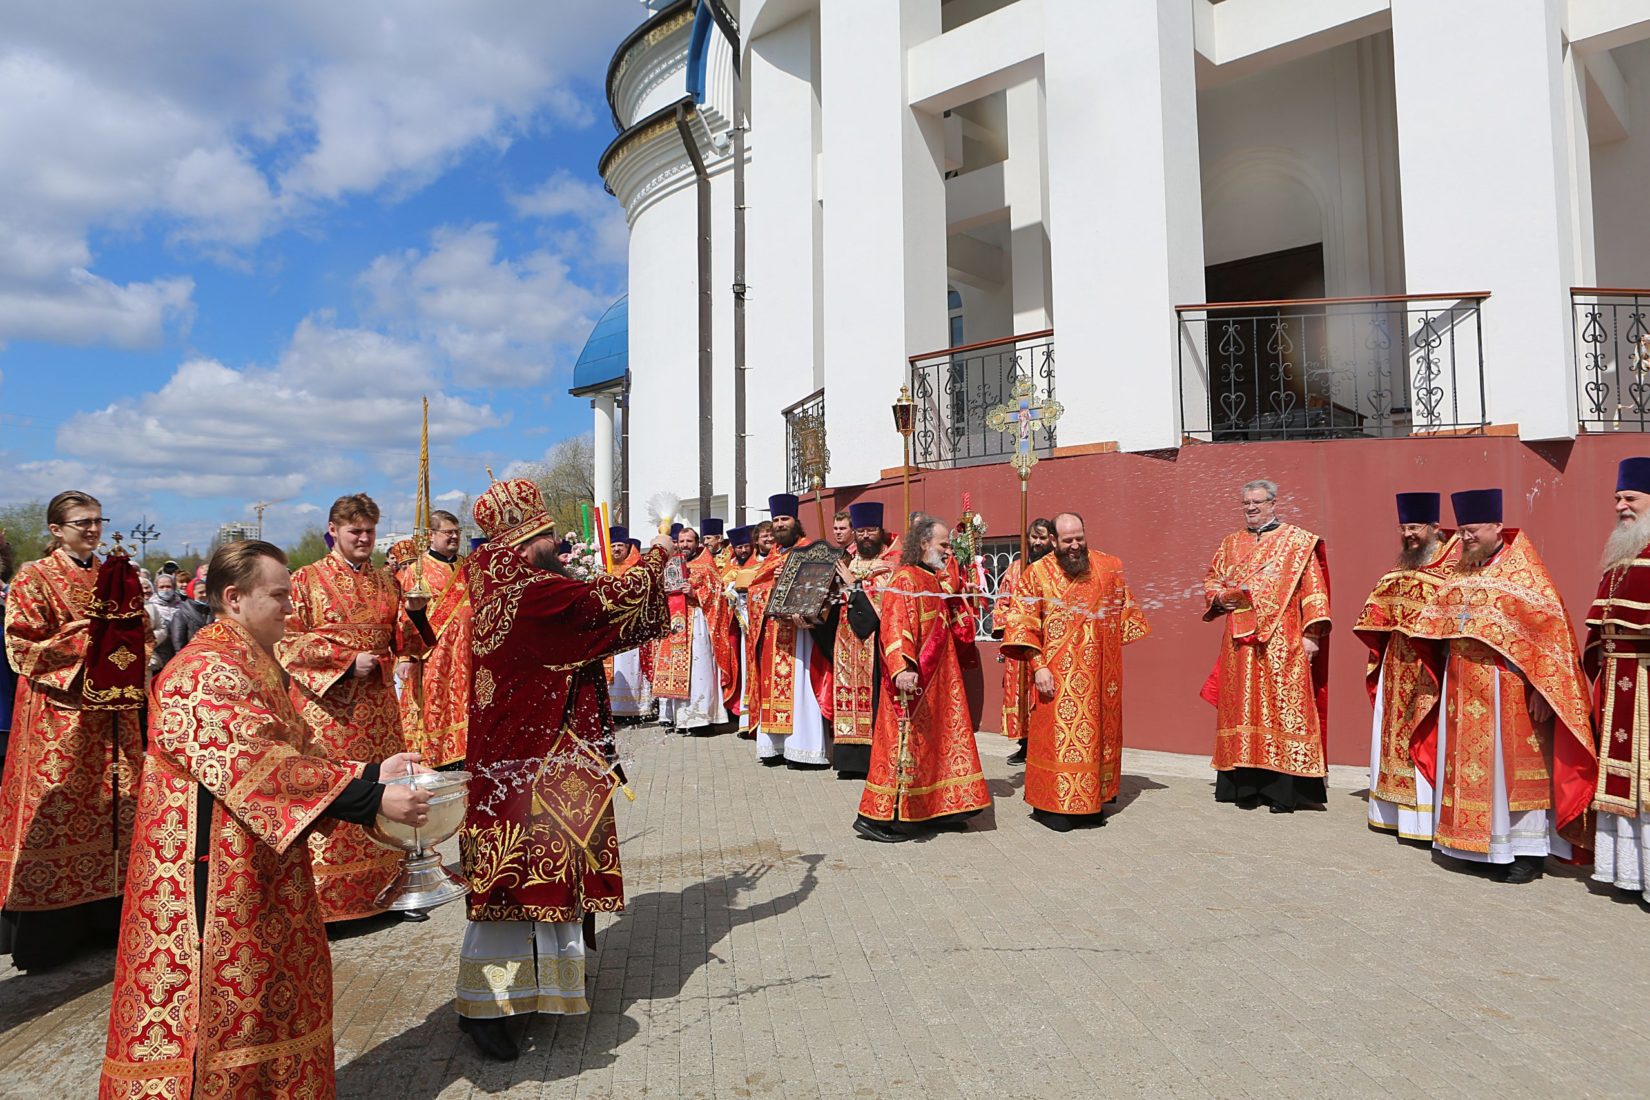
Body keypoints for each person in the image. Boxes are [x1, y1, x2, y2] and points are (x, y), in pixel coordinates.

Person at [99, 540, 432, 1097]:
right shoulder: (202, 670)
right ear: (233, 598)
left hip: (256, 869)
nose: (290, 608)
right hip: (208, 886)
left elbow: (296, 749)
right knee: (221, 1015)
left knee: (265, 1001)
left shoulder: (251, 661)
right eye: (278, 595)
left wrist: (374, 770)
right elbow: (255, 765)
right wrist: (371, 800)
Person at [455, 477, 671, 1061]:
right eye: (548, 534)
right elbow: (601, 605)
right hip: (532, 762)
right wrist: (657, 553)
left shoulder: (497, 583)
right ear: (526, 541)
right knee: (511, 890)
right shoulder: (533, 595)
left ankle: (538, 991)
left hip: (528, 757)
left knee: (537, 882)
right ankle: (484, 1006)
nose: (556, 543)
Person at [1408, 489, 1597, 883]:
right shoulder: (1462, 570)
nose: (1465, 538)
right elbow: (1434, 620)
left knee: (1511, 775)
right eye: (1461, 531)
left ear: (1497, 526)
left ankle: (1525, 853)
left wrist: (1542, 689)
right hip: (1461, 684)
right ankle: (1470, 846)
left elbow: (1551, 638)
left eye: (1473, 530)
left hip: (1507, 686)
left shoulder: (1524, 572)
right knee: (1466, 768)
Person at [0, 491, 146, 971]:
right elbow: (21, 646)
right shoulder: (33, 577)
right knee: (60, 810)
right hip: (61, 718)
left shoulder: (113, 574)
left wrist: (128, 630)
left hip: (114, 717)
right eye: (81, 522)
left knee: (117, 812)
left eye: (98, 520)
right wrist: (91, 637)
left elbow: (138, 633)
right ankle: (51, 937)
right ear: (55, 530)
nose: (92, 529)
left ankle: (108, 921)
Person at [276, 493, 430, 923]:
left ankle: (394, 888)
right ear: (333, 531)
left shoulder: (387, 581)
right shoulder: (305, 580)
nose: (363, 538)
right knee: (336, 788)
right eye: (354, 531)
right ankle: (328, 903)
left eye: (369, 531)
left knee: (390, 787)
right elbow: (286, 640)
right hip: (328, 714)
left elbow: (408, 644)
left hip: (379, 711)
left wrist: (416, 614)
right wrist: (343, 662)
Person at [1000, 512, 1149, 831]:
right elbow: (1022, 623)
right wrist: (1037, 665)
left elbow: (1126, 616)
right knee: (1057, 741)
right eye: (1067, 540)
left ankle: (1091, 802)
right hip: (1055, 675)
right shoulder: (1036, 573)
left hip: (1098, 675)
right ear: (1053, 540)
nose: (1075, 546)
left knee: (1094, 739)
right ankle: (1053, 806)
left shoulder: (1109, 567)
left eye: (1079, 538)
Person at [852, 513, 991, 842]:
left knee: (934, 748)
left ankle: (931, 810)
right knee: (901, 749)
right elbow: (895, 625)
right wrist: (902, 667)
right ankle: (877, 819)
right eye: (944, 545)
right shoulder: (906, 579)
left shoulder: (932, 579)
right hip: (913, 682)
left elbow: (955, 624)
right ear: (925, 543)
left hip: (939, 684)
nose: (947, 551)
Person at [1202, 479, 1331, 813]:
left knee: (1282, 710)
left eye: (1257, 502)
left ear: (1273, 503)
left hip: (1283, 639)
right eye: (1246, 503)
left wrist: (1311, 635)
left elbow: (1313, 590)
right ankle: (1244, 788)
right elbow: (1212, 579)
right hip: (1239, 644)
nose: (1251, 508)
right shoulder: (1230, 543)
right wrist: (1219, 597)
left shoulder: (1297, 542)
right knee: (1243, 707)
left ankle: (1281, 792)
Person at [1354, 493, 1458, 843]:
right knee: (1392, 732)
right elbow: (1381, 599)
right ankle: (1393, 813)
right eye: (1404, 528)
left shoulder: (1455, 561)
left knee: (1425, 733)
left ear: (1433, 527)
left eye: (1415, 527)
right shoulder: (1404, 564)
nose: (1409, 534)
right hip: (1397, 661)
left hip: (1431, 665)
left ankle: (1424, 819)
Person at [1589, 458, 1650, 901]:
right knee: (1618, 779)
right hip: (1617, 685)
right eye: (1617, 499)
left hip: (1646, 683)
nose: (1620, 506)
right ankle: (1624, 872)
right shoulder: (1620, 555)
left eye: (1630, 498)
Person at [747, 495, 833, 768]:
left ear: (796, 521)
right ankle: (775, 747)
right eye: (776, 520)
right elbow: (754, 592)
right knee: (775, 689)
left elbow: (824, 587)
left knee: (802, 686)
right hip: (774, 633)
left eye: (784, 519)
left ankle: (804, 749)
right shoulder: (771, 557)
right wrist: (771, 586)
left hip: (801, 633)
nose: (780, 524)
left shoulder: (811, 550)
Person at [394, 509, 471, 769]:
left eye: (456, 532)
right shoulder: (416, 571)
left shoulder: (468, 568)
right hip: (435, 659)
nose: (453, 537)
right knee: (435, 709)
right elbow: (402, 616)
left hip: (468, 656)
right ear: (431, 535)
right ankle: (437, 762)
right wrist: (406, 656)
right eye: (448, 532)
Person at [831, 501, 898, 779]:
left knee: (871, 698)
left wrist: (853, 585)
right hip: (845, 641)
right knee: (846, 694)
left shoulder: (890, 563)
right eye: (861, 531)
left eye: (871, 530)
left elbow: (880, 605)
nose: (865, 536)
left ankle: (872, 759)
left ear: (880, 531)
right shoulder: (849, 560)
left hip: (873, 641)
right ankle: (850, 761)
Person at [653, 526, 739, 734]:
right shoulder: (671, 563)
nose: (684, 545)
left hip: (698, 621)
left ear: (697, 542)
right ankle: (680, 719)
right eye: (681, 541)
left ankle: (700, 719)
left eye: (689, 541)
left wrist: (694, 592)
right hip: (675, 623)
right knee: (677, 670)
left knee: (698, 671)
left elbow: (717, 594)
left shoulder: (706, 564)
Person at [993, 517, 1055, 765]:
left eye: (1042, 538)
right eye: (1034, 537)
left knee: (1042, 694)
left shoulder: (1055, 570)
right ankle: (1024, 744)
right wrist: (1012, 622)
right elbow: (1003, 601)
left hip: (1047, 643)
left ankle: (1044, 744)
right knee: (1020, 695)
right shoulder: (1016, 568)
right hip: (1020, 641)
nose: (1037, 542)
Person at [605, 529, 655, 723]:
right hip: (612, 627)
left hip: (632, 625)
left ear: (627, 548)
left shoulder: (636, 568)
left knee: (632, 665)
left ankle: (637, 708)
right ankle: (615, 708)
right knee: (616, 665)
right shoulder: (604, 569)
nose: (617, 549)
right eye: (613, 546)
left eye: (620, 546)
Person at [145, 569, 185, 676]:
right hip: (159, 653)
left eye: (168, 586)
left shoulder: (182, 605)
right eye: (161, 587)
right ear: (156, 588)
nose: (165, 589)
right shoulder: (150, 607)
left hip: (179, 653)